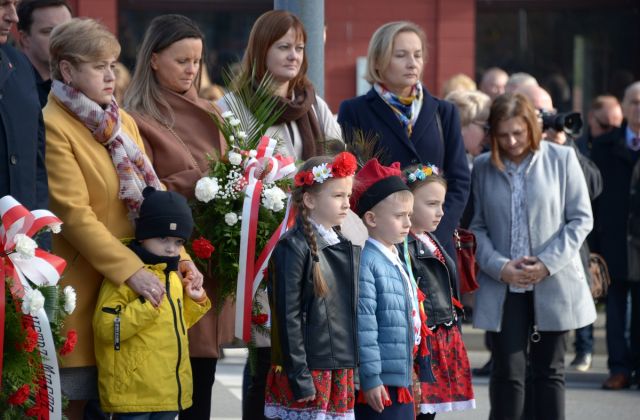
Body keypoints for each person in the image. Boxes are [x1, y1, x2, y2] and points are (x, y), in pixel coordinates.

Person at [44, 18, 201, 419]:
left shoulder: (120, 121)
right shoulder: (52, 125)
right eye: (99, 66)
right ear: (67, 70)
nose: (111, 75)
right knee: (82, 406)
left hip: (139, 297)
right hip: (89, 290)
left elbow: (155, 207)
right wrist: (132, 271)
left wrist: (182, 262)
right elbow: (74, 215)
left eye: (113, 64)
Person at [216, 11, 365, 418]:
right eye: (283, 46)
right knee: (268, 349)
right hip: (266, 245)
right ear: (261, 50)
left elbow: (340, 159)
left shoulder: (312, 103)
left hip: (316, 241)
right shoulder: (233, 105)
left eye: (300, 47)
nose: (294, 55)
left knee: (312, 343)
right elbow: (229, 171)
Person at [124, 14, 231, 419]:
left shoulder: (212, 111)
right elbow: (141, 193)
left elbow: (228, 172)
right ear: (153, 59)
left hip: (211, 255)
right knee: (169, 379)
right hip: (166, 260)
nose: (191, 70)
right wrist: (207, 179)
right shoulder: (134, 117)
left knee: (203, 374)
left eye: (197, 61)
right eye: (181, 60)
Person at [470, 93, 595, 419]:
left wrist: (546, 264)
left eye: (518, 133)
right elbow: (475, 228)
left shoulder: (561, 158)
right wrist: (499, 267)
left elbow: (581, 219)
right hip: (503, 285)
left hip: (553, 281)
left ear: (532, 128)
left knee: (549, 371)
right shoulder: (483, 167)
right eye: (503, 134)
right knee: (507, 372)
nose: (511, 141)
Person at [338, 21, 470, 263]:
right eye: (401, 55)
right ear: (378, 61)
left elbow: (460, 180)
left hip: (435, 245)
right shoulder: (354, 110)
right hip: (379, 244)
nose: (413, 63)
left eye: (418, 55)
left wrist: (434, 230)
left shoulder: (444, 111)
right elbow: (352, 179)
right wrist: (383, 229)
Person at [93, 187, 211, 418]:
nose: (170, 247)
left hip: (168, 391)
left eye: (178, 242)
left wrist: (196, 302)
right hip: (133, 393)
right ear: (143, 234)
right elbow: (108, 330)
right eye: (162, 237)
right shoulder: (129, 276)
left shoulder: (174, 276)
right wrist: (146, 307)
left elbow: (175, 326)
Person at [264, 152, 359, 419]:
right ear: (309, 199)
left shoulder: (341, 244)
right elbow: (287, 317)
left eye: (348, 196)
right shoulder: (292, 247)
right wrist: (299, 375)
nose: (346, 204)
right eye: (338, 196)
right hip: (307, 369)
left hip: (336, 369)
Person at [519, 84, 604, 372]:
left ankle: (584, 350)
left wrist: (564, 147)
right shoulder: (504, 148)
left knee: (549, 367)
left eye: (550, 111)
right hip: (515, 271)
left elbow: (593, 186)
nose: (547, 118)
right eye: (540, 112)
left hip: (562, 262)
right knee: (515, 367)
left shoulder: (565, 150)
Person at [401, 164, 475, 419]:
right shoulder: (403, 245)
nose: (440, 212)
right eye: (431, 204)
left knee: (429, 412)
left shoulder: (429, 239)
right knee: (419, 410)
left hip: (440, 336)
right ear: (407, 203)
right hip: (424, 339)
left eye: (441, 204)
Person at [351, 158, 417, 419]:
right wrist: (371, 378)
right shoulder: (368, 261)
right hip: (381, 382)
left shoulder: (395, 255)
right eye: (399, 216)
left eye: (409, 216)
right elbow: (365, 326)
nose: (408, 223)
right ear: (371, 218)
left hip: (399, 373)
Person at [591, 81, 640, 390]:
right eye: (633, 102)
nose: (638, 108)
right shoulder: (606, 145)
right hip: (614, 239)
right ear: (623, 107)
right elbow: (594, 196)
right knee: (616, 309)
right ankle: (619, 368)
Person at [0, 0, 48, 230]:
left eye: (15, 4)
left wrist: (40, 241)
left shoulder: (19, 65)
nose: (13, 17)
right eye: (2, 5)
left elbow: (35, 167)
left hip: (20, 248)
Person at [16, 0, 72, 107]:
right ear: (25, 39)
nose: (63, 39)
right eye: (49, 31)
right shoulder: (14, 89)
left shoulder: (81, 84)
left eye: (68, 30)